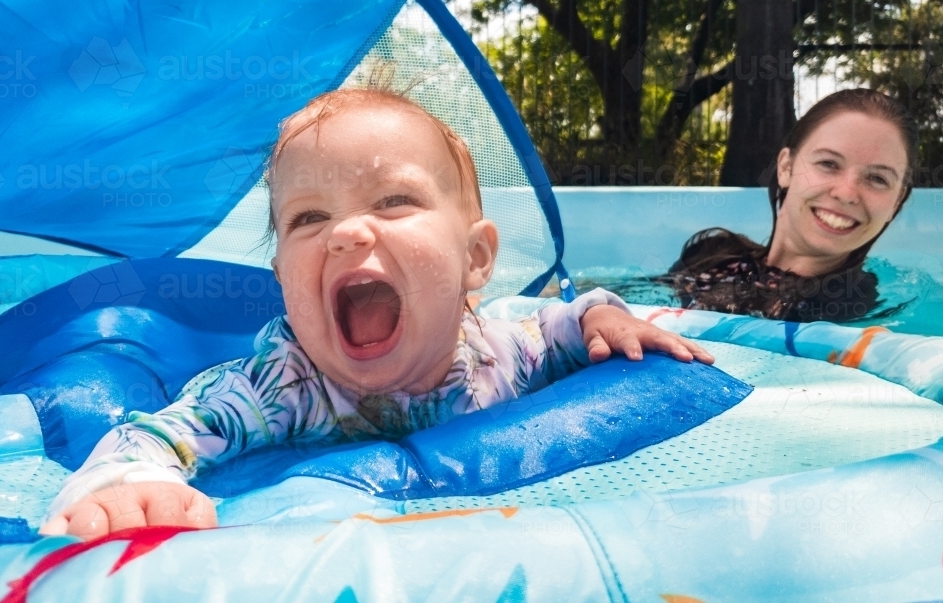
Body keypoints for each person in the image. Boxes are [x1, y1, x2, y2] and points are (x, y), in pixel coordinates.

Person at [41, 88, 712, 540]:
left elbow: (561, 327)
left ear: (476, 259)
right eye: (308, 218)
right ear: (284, 284)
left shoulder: (499, 350)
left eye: (392, 202)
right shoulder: (280, 388)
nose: (346, 233)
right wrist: (128, 482)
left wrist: (602, 315)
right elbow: (164, 433)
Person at [664, 88, 917, 323]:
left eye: (877, 178)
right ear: (786, 167)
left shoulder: (843, 305)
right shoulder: (709, 254)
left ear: (896, 202)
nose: (847, 193)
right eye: (828, 164)